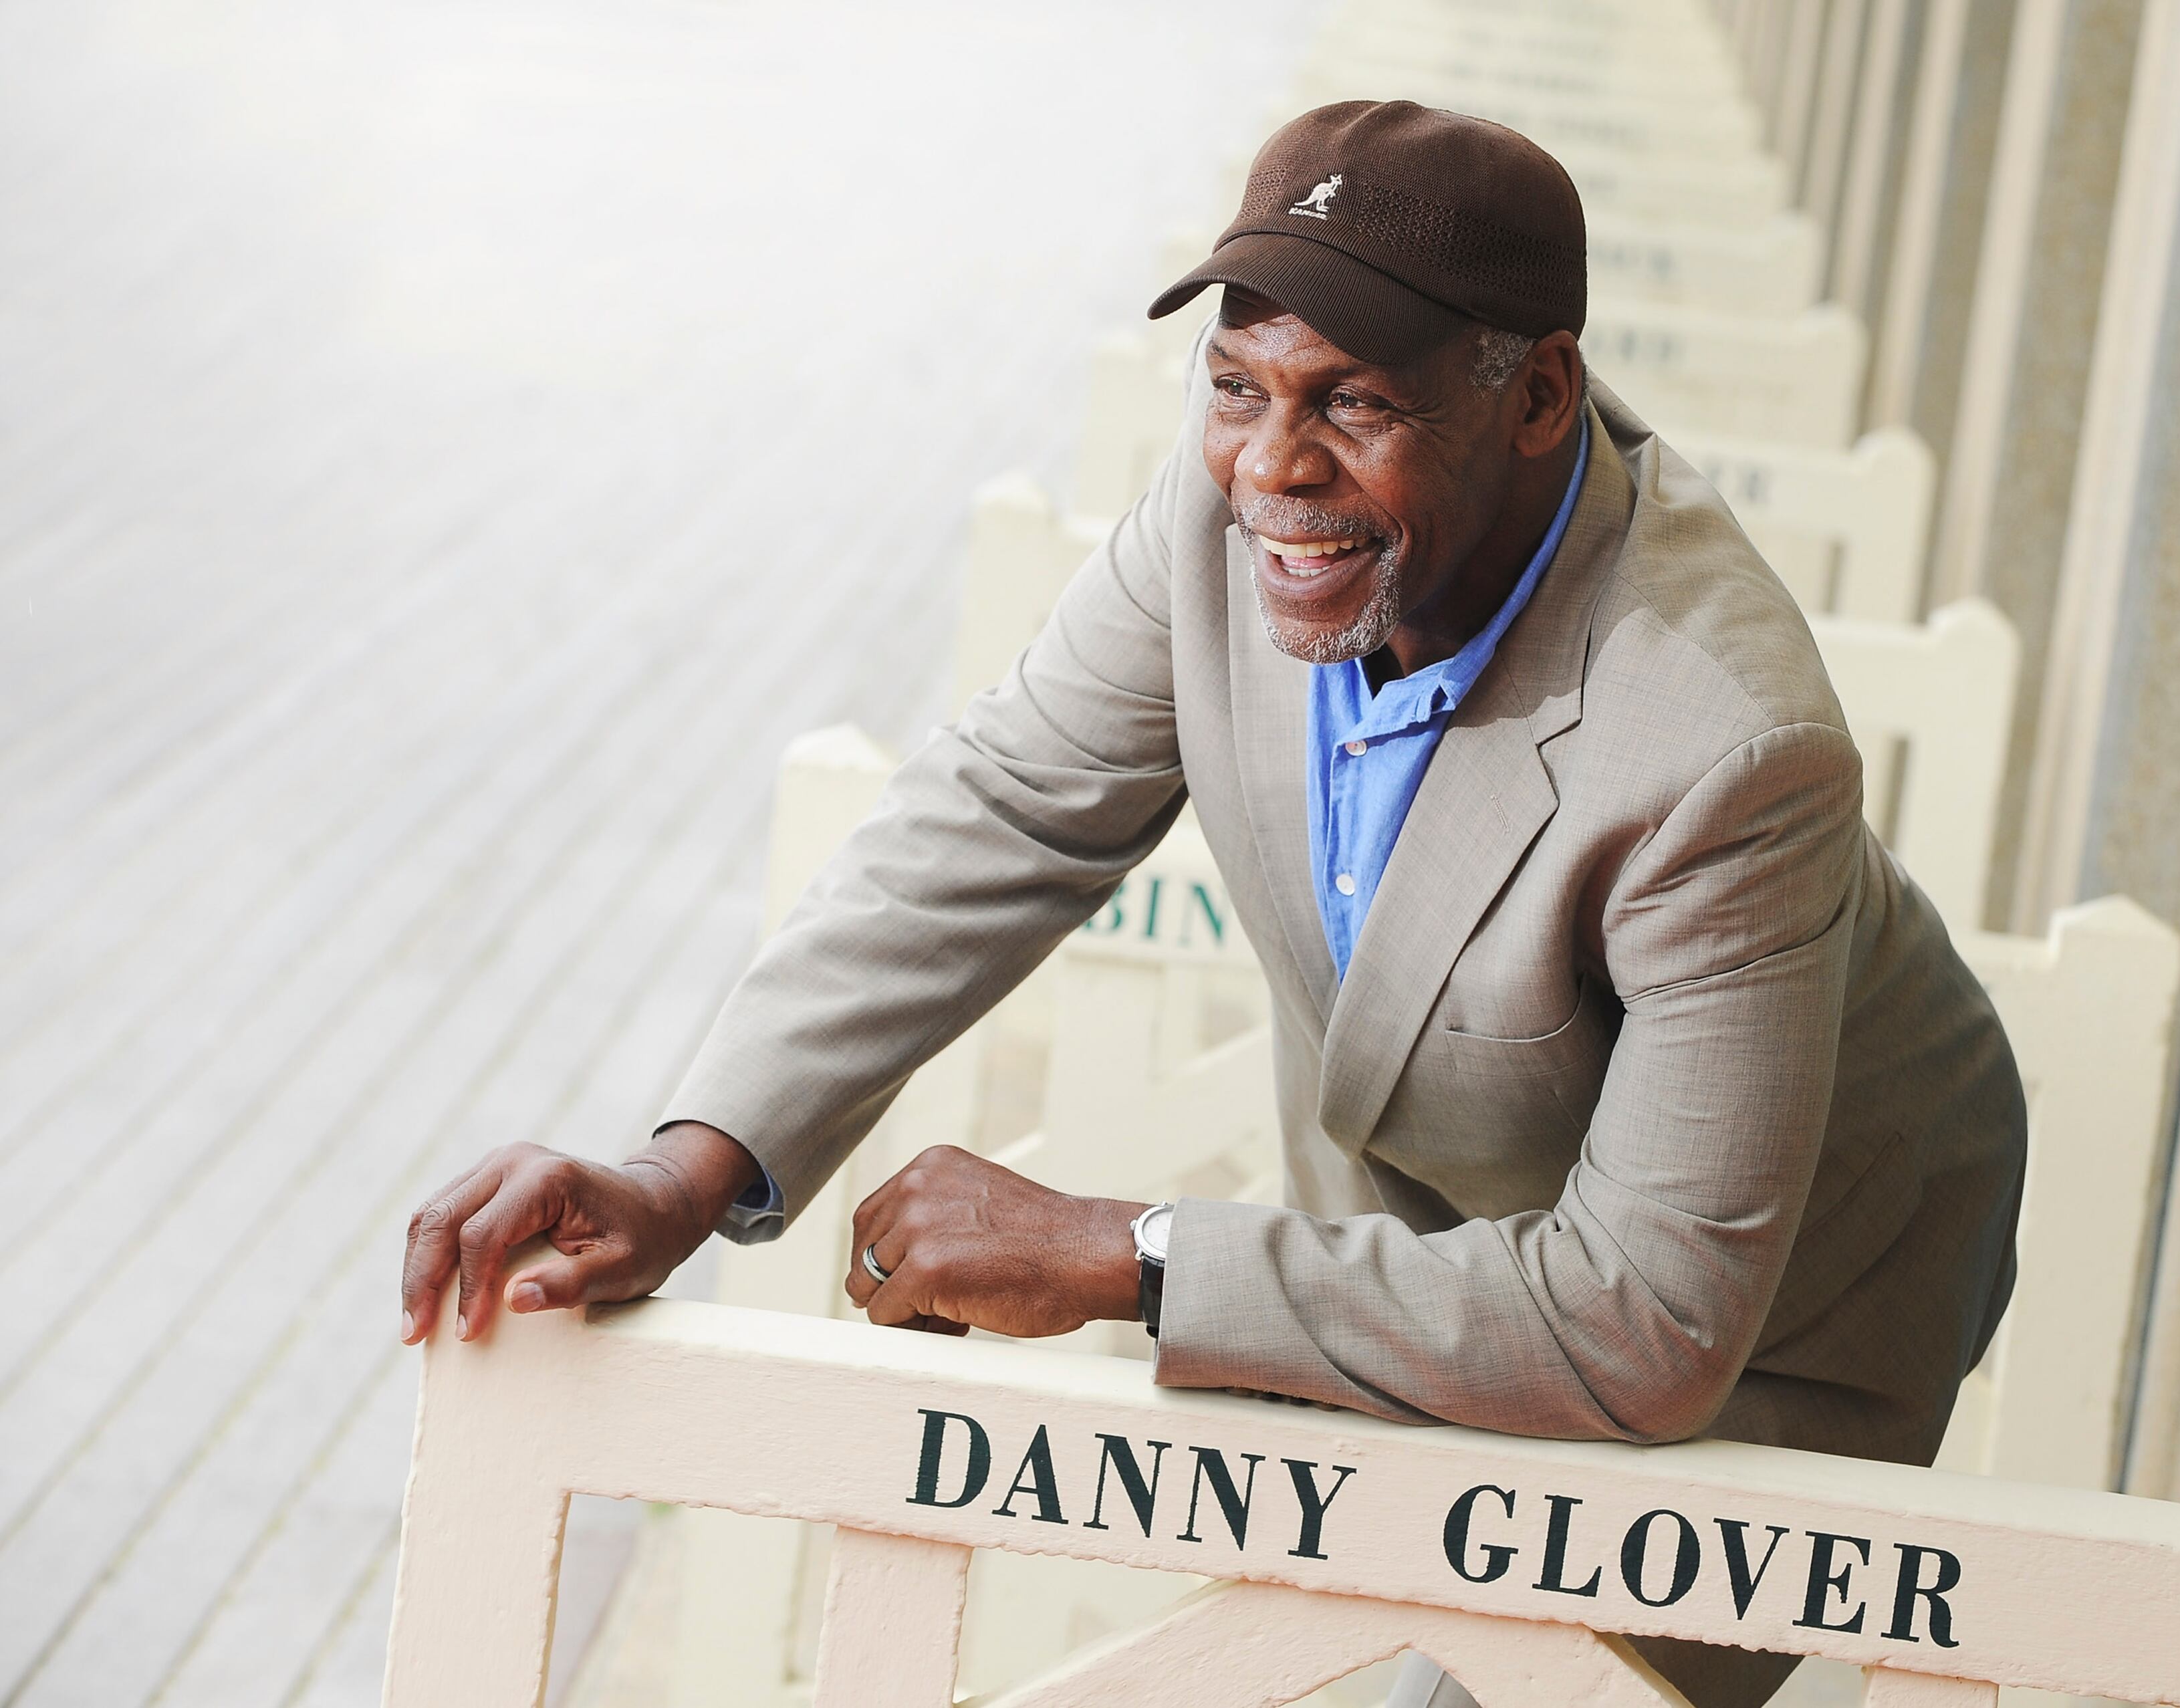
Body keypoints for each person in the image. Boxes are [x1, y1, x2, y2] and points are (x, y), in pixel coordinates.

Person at [397, 101, 2025, 1707]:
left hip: (1777, 1309)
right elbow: (1007, 807)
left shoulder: (1724, 750)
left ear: (1537, 396)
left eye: (1352, 404)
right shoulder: (1227, 519)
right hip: (1444, 1225)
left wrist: (1125, 1252)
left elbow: (1647, 1326)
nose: (1270, 467)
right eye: (1234, 388)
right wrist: (686, 1174)